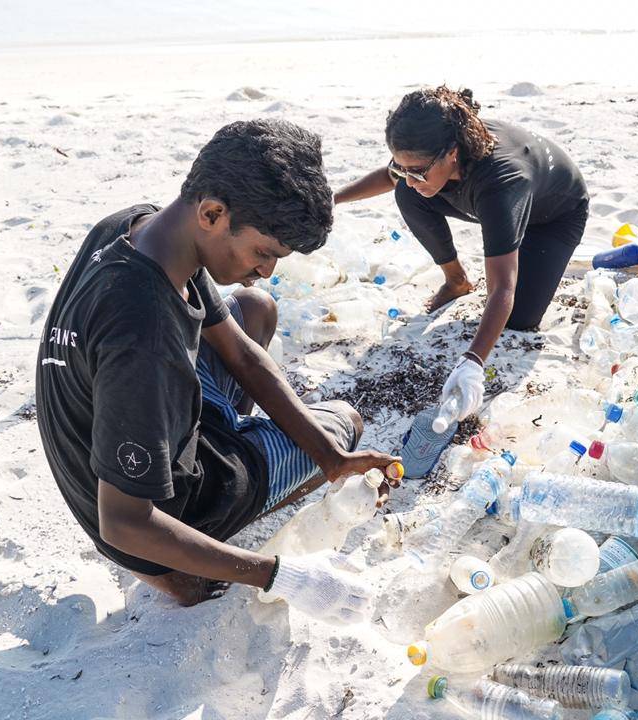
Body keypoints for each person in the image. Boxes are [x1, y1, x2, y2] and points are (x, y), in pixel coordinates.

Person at [35, 119, 399, 622]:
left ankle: (237, 437)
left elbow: (242, 353)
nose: (267, 268)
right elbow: (123, 525)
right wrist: (279, 575)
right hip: (146, 516)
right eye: (263, 252)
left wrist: (332, 459)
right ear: (212, 213)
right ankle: (198, 539)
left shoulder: (143, 228)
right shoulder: (144, 332)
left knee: (255, 308)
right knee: (344, 418)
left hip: (118, 425)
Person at [335, 85, 589, 423]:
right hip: (487, 200)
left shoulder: (502, 181)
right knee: (408, 195)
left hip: (553, 215)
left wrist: (472, 362)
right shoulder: (423, 155)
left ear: (451, 152)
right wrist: (332, 199)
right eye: (402, 166)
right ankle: (456, 281)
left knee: (521, 320)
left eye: (418, 171)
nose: (409, 177)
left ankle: (514, 260)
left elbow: (502, 288)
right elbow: (390, 176)